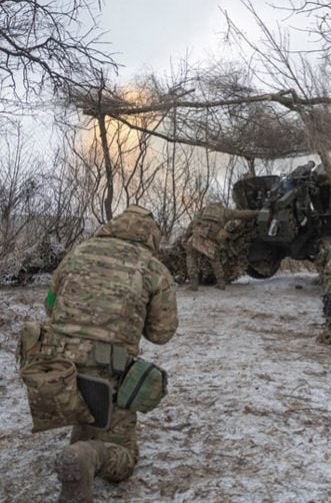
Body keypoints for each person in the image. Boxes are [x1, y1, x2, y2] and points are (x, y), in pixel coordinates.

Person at [17, 205, 178, 502]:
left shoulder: (79, 252)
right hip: (108, 372)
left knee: (88, 386)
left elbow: (51, 305)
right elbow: (162, 333)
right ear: (152, 237)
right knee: (125, 456)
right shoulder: (154, 269)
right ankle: (89, 455)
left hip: (57, 369)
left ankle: (81, 442)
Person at [182, 201, 259, 290]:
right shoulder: (225, 211)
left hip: (200, 231)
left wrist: (186, 236)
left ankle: (193, 283)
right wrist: (257, 212)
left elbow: (193, 221)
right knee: (214, 258)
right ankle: (221, 282)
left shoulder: (204, 209)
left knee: (191, 254)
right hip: (213, 234)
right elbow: (243, 214)